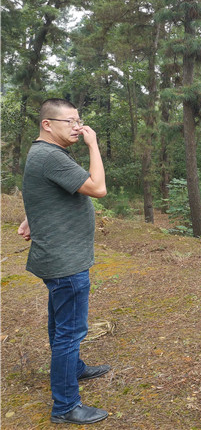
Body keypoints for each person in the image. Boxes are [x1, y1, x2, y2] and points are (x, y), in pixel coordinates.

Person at [17, 98, 111, 425]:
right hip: (65, 261)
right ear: (47, 124)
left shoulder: (43, 153)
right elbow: (97, 188)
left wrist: (31, 218)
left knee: (60, 324)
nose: (78, 127)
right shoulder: (50, 155)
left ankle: (74, 368)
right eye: (70, 121)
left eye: (79, 121)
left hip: (59, 255)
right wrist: (93, 145)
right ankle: (66, 405)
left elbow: (40, 190)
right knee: (70, 331)